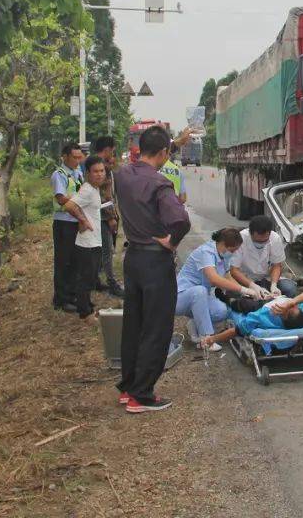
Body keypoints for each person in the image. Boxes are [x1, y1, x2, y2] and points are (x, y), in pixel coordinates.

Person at [113, 126, 191, 413]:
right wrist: (171, 241)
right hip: (155, 261)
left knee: (134, 324)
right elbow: (181, 220)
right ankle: (141, 394)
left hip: (132, 258)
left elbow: (152, 153)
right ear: (163, 153)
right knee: (156, 327)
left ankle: (129, 385)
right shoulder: (159, 184)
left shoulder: (122, 175)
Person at [175, 228, 255, 352]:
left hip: (198, 300)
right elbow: (214, 279)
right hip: (179, 298)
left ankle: (194, 325)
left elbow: (227, 277)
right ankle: (207, 338)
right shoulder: (206, 252)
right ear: (223, 244)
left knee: (222, 311)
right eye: (232, 250)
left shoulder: (224, 255)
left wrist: (250, 289)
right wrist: (244, 289)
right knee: (199, 291)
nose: (233, 253)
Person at [206, 286, 303, 345]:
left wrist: (212, 339)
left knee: (243, 304)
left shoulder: (265, 316)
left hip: (263, 305)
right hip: (276, 296)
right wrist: (292, 301)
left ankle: (227, 299)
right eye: (294, 307)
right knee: (287, 287)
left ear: (283, 317)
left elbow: (237, 330)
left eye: (289, 309)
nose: (289, 306)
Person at [64, 155, 106, 324]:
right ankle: (85, 313)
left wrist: (84, 218)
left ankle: (87, 306)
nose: (100, 174)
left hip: (94, 241)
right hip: (87, 243)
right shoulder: (87, 189)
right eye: (95, 171)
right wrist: (83, 220)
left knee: (90, 277)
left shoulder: (94, 189)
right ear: (87, 173)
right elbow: (69, 205)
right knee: (86, 279)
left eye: (102, 171)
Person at [50, 142, 85, 312]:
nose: (78, 160)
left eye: (80, 157)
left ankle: (72, 295)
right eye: (74, 157)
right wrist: (78, 212)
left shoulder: (78, 173)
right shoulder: (60, 174)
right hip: (64, 222)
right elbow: (61, 198)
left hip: (75, 222)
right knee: (63, 261)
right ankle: (61, 299)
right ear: (65, 157)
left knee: (75, 260)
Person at [230, 214, 298, 298]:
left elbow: (277, 265)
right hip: (245, 278)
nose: (261, 243)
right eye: (257, 241)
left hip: (267, 277)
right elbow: (234, 270)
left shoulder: (275, 238)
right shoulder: (241, 238)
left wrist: (274, 285)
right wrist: (252, 286)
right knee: (237, 294)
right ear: (250, 233)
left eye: (265, 240)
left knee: (290, 289)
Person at [92, 136, 123, 297]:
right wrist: (111, 217)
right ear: (107, 149)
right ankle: (112, 283)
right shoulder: (100, 168)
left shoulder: (96, 165)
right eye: (112, 150)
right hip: (103, 216)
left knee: (100, 250)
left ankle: (96, 280)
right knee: (107, 251)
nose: (113, 153)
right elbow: (104, 195)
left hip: (102, 214)